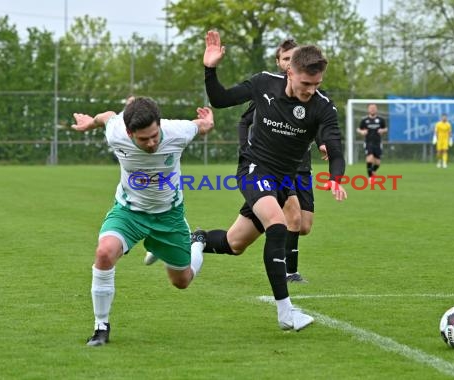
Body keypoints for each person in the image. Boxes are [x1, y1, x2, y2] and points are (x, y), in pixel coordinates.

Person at [199, 30, 347, 331]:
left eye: (317, 84)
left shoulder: (322, 106)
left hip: (281, 181)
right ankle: (285, 312)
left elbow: (334, 145)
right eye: (306, 83)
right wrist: (210, 68)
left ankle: (195, 239)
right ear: (289, 70)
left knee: (234, 243)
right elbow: (220, 98)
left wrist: (335, 178)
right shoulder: (264, 83)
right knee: (278, 225)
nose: (310, 90)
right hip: (254, 169)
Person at [71, 97, 214, 346]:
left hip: (169, 216)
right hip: (129, 212)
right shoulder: (116, 132)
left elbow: (200, 126)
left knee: (182, 281)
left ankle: (197, 241)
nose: (151, 143)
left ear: (160, 125)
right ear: (129, 133)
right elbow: (105, 116)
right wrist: (89, 123)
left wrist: (208, 121)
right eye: (143, 139)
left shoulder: (176, 131)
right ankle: (100, 327)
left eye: (154, 136)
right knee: (104, 253)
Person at [236, 38, 328, 283]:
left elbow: (321, 123)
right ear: (280, 63)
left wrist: (322, 142)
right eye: (285, 58)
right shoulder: (267, 92)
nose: (289, 62)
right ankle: (289, 272)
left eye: (292, 57)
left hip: (302, 167)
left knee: (303, 224)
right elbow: (245, 121)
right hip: (272, 168)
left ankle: (212, 239)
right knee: (290, 217)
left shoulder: (313, 95)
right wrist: (246, 150)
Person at [356, 104, 387, 182]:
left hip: (378, 143)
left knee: (378, 163)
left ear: (376, 109)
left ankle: (373, 171)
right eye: (371, 108)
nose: (372, 109)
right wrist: (362, 132)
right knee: (370, 158)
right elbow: (358, 129)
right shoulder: (365, 120)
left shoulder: (380, 120)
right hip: (368, 142)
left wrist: (382, 130)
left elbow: (385, 129)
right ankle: (370, 177)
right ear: (368, 110)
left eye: (374, 108)